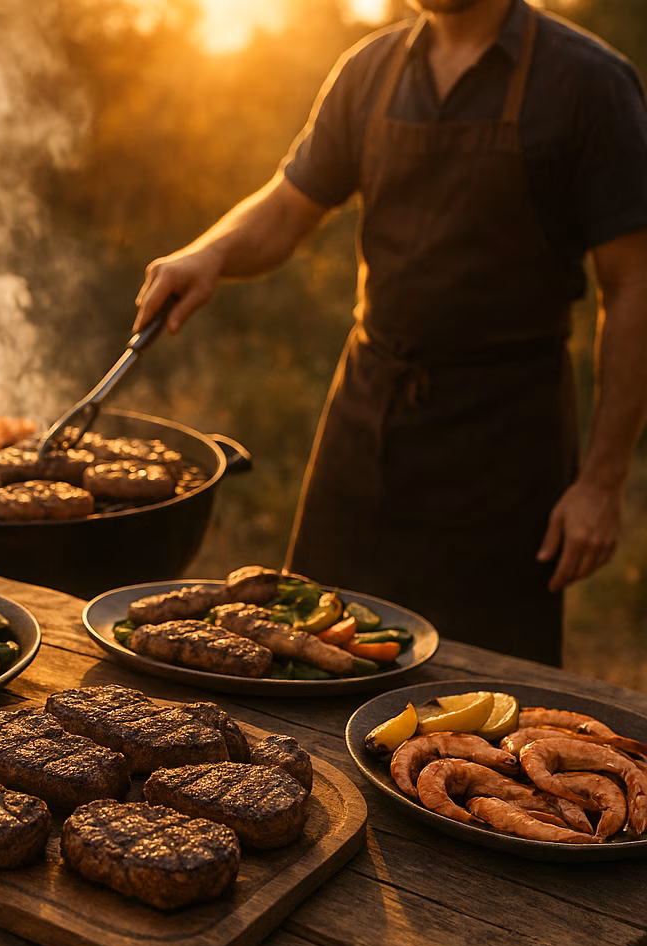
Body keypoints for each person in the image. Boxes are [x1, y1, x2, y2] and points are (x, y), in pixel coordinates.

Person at [133, 0, 647, 666]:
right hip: (364, 423)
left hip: (504, 445)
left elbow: (633, 285)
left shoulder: (589, 83)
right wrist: (210, 253)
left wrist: (601, 483)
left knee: (484, 685)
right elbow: (288, 206)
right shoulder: (368, 71)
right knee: (310, 654)